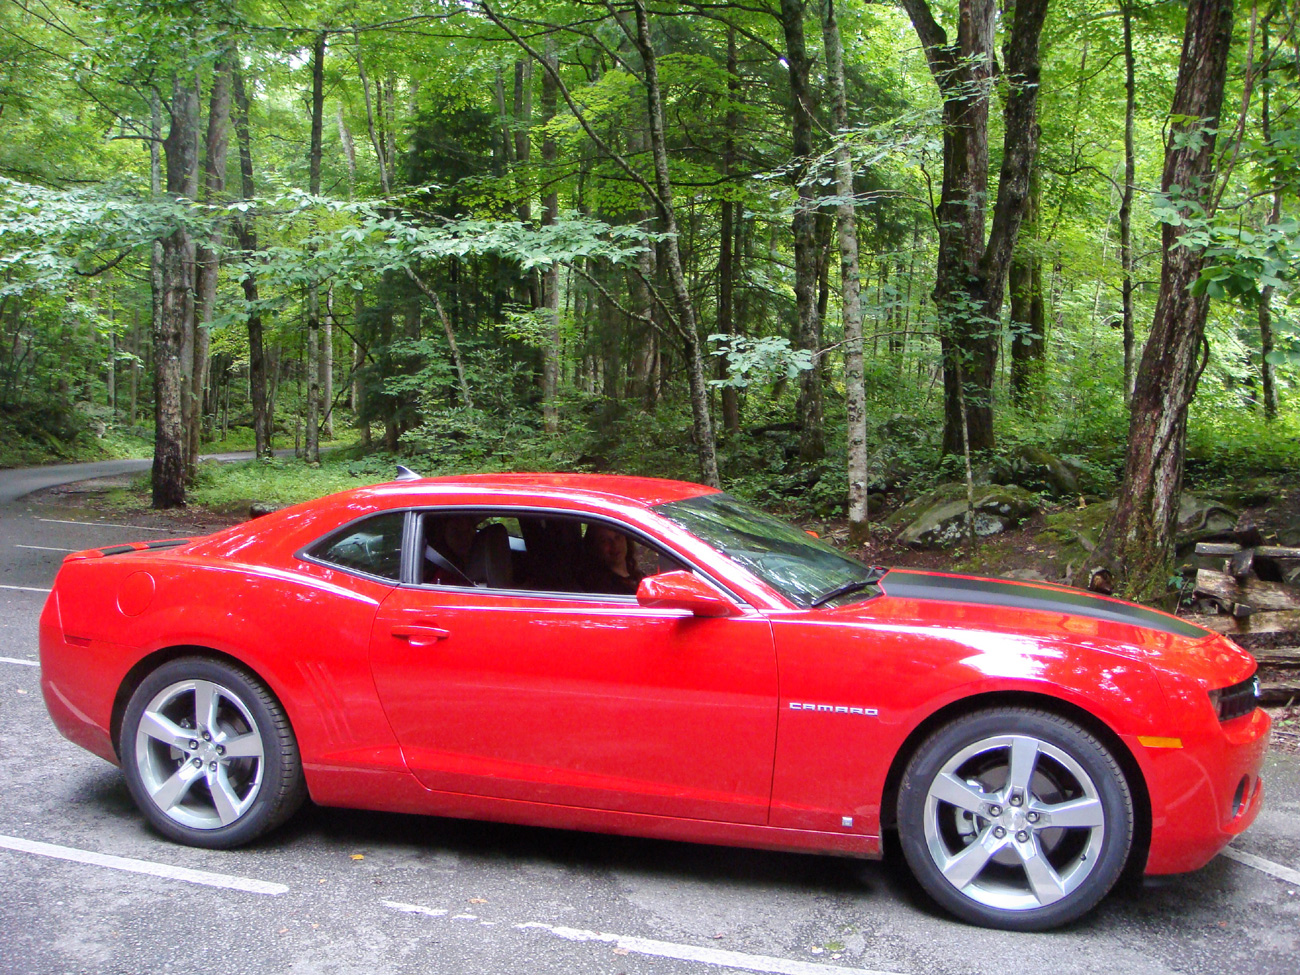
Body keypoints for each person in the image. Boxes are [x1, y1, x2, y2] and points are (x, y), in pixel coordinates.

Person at [579, 523, 644, 596]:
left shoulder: (638, 575)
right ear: (594, 547)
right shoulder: (603, 588)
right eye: (604, 541)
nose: (614, 545)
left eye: (617, 537)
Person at [424, 514, 478, 585]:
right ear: (442, 533)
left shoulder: (477, 563)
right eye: (457, 532)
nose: (465, 538)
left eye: (468, 531)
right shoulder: (441, 572)